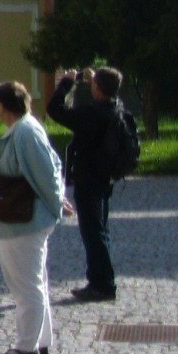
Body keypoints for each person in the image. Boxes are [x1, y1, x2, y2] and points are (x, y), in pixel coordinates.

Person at [0, 80, 74, 354]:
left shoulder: (25, 132)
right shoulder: (25, 129)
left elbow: (47, 173)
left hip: (24, 221)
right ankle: (41, 340)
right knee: (33, 281)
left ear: (2, 105)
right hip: (18, 220)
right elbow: (52, 167)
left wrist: (56, 204)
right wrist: (58, 200)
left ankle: (27, 347)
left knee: (26, 284)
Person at [49, 65, 125, 303]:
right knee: (100, 230)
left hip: (88, 178)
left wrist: (66, 83)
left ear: (98, 88)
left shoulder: (92, 115)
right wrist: (98, 81)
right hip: (105, 177)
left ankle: (103, 285)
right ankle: (100, 280)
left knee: (93, 233)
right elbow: (110, 93)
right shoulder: (117, 109)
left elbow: (55, 109)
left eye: (94, 84)